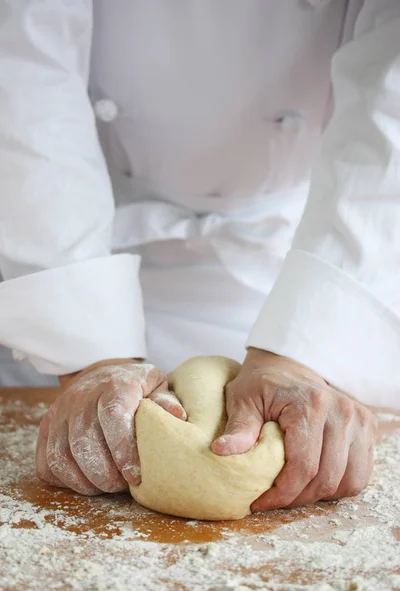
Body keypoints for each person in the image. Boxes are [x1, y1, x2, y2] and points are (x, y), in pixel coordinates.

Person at [0, 1, 398, 511]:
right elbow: (23, 69)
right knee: (79, 444)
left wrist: (304, 351)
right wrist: (86, 354)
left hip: (297, 262)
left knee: (303, 434)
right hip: (78, 243)